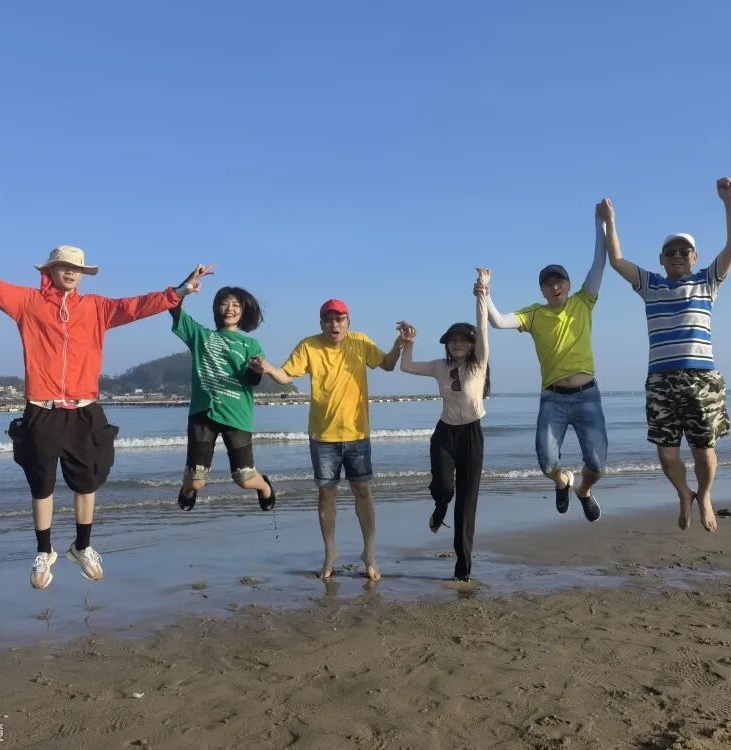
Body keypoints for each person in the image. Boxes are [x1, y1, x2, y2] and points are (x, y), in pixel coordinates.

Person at [0, 230, 207, 588]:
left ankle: (82, 547)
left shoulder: (98, 308)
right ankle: (44, 552)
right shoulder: (26, 302)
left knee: (87, 482)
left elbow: (137, 306)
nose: (71, 272)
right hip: (41, 409)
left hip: (84, 410)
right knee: (41, 485)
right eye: (64, 267)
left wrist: (180, 291)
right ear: (50, 270)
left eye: (77, 268)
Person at [602, 177, 731, 533]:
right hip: (661, 381)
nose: (677, 256)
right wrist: (609, 221)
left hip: (701, 379)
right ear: (661, 259)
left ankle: (705, 495)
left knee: (703, 450)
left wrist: (729, 201)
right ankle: (684, 493)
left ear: (694, 257)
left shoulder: (707, 282)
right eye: (671, 252)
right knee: (666, 453)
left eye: (684, 251)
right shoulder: (651, 285)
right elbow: (616, 260)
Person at [252, 299, 405, 581]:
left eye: (339, 319)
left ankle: (369, 553)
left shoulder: (360, 342)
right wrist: (270, 369)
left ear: (348, 322)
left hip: (357, 432)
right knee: (326, 493)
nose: (334, 324)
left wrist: (399, 344)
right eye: (328, 320)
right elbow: (286, 375)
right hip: (323, 435)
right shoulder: (309, 346)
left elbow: (387, 364)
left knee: (362, 490)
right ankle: (330, 552)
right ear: (321, 323)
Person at [483, 205, 610, 522]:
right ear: (542, 289)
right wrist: (485, 294)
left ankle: (583, 491)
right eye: (549, 283)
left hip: (587, 395)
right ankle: (563, 481)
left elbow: (599, 262)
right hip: (553, 398)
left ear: (568, 284)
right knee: (546, 461)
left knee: (597, 464)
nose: (555, 287)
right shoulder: (534, 314)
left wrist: (601, 222)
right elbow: (498, 321)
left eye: (560, 282)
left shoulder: (583, 301)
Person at [396, 268, 490, 581]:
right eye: (452, 340)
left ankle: (463, 567)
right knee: (445, 488)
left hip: (472, 436)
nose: (457, 344)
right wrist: (408, 341)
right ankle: (439, 507)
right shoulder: (439, 366)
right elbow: (407, 366)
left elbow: (482, 326)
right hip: (445, 434)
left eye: (463, 340)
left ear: (472, 344)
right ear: (446, 345)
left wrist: (482, 293)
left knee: (467, 502)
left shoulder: (479, 363)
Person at [170, 285, 276, 512]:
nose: (230, 309)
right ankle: (187, 490)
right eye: (225, 303)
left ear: (243, 312)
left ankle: (265, 486)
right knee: (196, 482)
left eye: (236, 305)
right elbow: (173, 308)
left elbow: (250, 380)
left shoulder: (250, 345)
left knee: (245, 478)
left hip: (237, 415)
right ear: (216, 308)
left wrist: (257, 370)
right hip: (202, 414)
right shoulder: (201, 335)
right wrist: (184, 288)